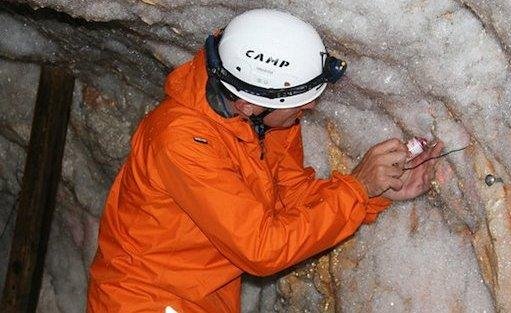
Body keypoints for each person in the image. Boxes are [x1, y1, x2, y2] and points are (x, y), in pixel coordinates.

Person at [87, 8, 443, 313]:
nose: (310, 107)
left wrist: (374, 193)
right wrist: (357, 187)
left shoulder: (268, 121)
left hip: (201, 299)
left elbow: (289, 202)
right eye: (301, 100)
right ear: (248, 103)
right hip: (145, 301)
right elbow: (263, 248)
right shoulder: (181, 141)